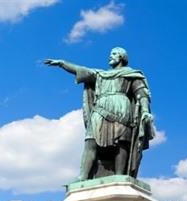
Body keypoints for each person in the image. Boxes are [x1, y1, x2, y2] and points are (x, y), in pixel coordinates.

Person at [44, 47, 154, 180]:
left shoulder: (132, 74)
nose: (110, 56)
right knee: (91, 140)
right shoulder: (100, 75)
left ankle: (119, 176)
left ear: (122, 57)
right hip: (100, 109)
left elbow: (142, 94)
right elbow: (80, 70)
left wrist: (145, 111)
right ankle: (83, 176)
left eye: (114, 54)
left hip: (121, 108)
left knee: (121, 142)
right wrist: (62, 63)